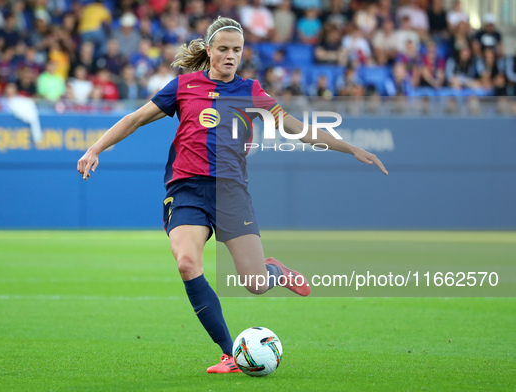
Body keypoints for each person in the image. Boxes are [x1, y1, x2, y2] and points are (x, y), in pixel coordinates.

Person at [77, 16, 388, 374]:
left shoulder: (251, 91)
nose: (229, 56)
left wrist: (349, 148)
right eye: (223, 49)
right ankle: (230, 353)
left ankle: (273, 272)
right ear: (208, 50)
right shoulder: (182, 86)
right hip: (186, 189)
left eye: (236, 50)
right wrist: (95, 148)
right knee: (186, 263)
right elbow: (134, 118)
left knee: (255, 285)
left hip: (231, 193)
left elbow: (295, 128)